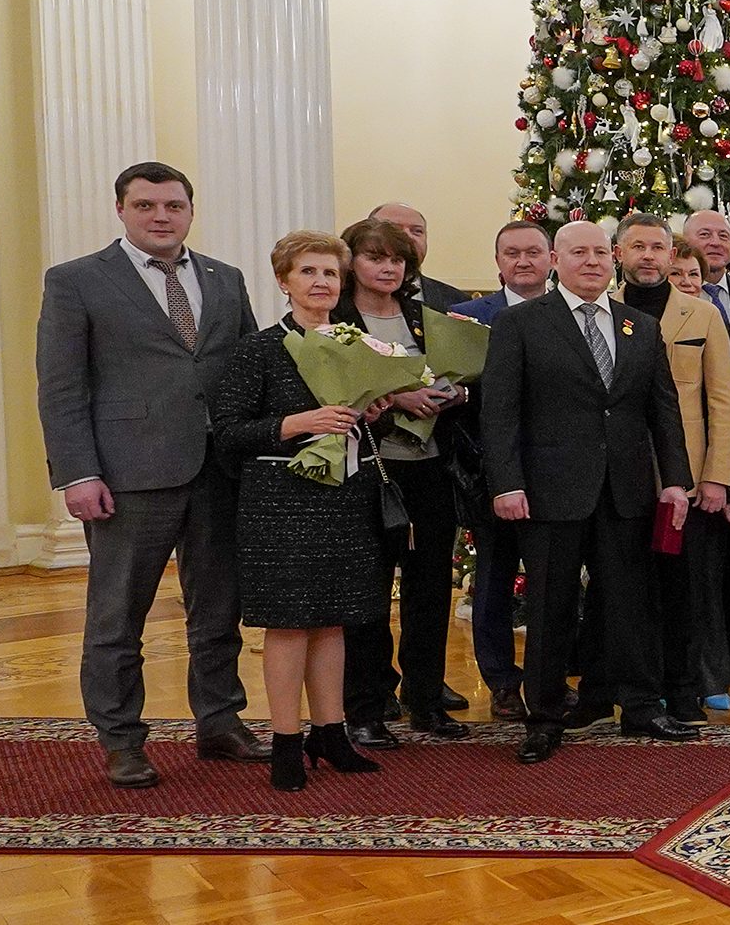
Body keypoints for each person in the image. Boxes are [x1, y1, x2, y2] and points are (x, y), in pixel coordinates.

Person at [36, 162, 266, 788]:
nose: (160, 216)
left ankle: (221, 721)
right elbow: (61, 388)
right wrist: (77, 473)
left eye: (172, 206)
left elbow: (249, 370)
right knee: (117, 616)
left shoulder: (225, 278)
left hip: (219, 470)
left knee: (218, 607)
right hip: (127, 473)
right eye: (145, 206)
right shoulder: (77, 280)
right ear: (122, 211)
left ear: (190, 210)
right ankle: (122, 740)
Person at [478, 220, 700, 762]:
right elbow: (500, 412)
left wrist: (675, 480)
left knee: (630, 603)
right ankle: (545, 716)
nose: (593, 262)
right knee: (550, 607)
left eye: (602, 252)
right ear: (557, 260)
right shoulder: (520, 324)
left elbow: (663, 410)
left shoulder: (638, 327)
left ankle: (642, 706)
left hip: (625, 491)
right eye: (580, 253)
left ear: (615, 258)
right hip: (550, 492)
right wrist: (506, 484)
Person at [209, 230, 390, 792]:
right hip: (280, 502)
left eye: (331, 273)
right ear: (284, 281)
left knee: (333, 620)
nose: (321, 283)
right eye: (308, 272)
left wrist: (375, 410)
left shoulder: (357, 347)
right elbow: (227, 433)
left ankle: (330, 733)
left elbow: (359, 424)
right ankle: (286, 741)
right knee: (288, 625)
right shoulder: (258, 349)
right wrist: (296, 424)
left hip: (343, 497)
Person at [337, 218, 467, 747]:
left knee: (431, 587)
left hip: (430, 467)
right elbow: (332, 395)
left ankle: (426, 699)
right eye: (375, 257)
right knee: (367, 591)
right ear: (353, 263)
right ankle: (366, 706)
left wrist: (454, 395)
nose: (388, 267)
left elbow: (457, 373)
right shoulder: (335, 321)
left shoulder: (423, 318)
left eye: (397, 260)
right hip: (369, 468)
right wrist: (395, 401)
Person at [615, 214, 730, 724]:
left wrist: (715, 477)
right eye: (637, 246)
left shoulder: (702, 314)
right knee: (624, 585)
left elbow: (723, 401)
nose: (648, 256)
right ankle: (634, 688)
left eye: (657, 247)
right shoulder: (604, 310)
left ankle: (684, 686)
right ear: (618, 252)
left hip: (683, 479)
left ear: (672, 255)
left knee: (683, 585)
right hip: (618, 473)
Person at [448, 219, 552, 723]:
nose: (524, 260)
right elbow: (452, 393)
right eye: (512, 252)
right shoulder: (466, 319)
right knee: (493, 581)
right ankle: (502, 683)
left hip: (560, 470)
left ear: (551, 258)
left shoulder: (574, 313)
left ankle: (547, 681)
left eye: (534, 251)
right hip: (493, 473)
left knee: (553, 582)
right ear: (498, 262)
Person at [680, 208, 730, 694]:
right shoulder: (655, 308)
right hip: (688, 455)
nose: (715, 242)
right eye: (703, 235)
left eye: (723, 235)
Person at [368, 202, 464, 311]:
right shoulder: (346, 293)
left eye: (417, 231)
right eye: (394, 229)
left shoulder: (457, 301)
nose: (408, 236)